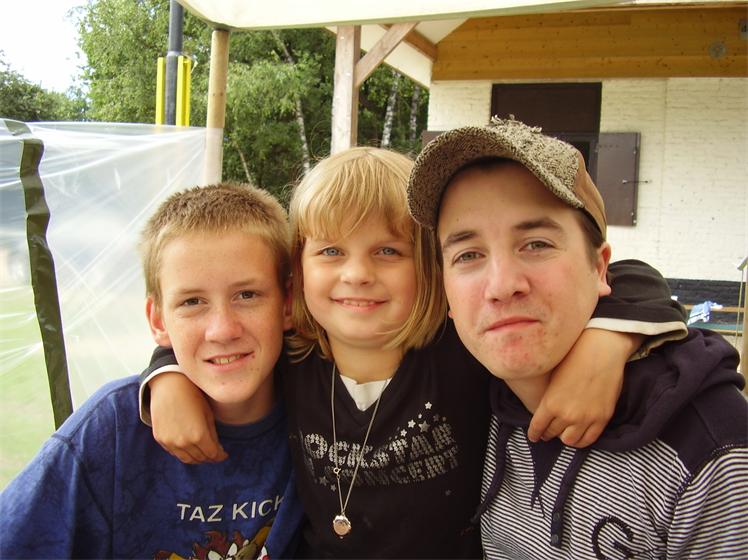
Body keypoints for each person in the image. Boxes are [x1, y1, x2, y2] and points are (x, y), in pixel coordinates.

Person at [140, 147, 688, 558]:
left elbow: (632, 277)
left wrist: (603, 345)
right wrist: (167, 377)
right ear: (295, 276)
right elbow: (220, 340)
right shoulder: (293, 356)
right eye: (331, 251)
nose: (357, 273)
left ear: (428, 265)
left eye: (387, 250)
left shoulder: (460, 350)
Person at [406, 117, 748, 559]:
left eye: (536, 244)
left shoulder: (712, 450)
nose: (502, 285)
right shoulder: (463, 400)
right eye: (469, 254)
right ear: (446, 291)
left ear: (600, 268)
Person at [0, 183, 303, 559]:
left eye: (247, 295)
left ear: (288, 303)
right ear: (158, 321)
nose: (222, 330)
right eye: (192, 302)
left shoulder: (324, 411)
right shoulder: (109, 432)